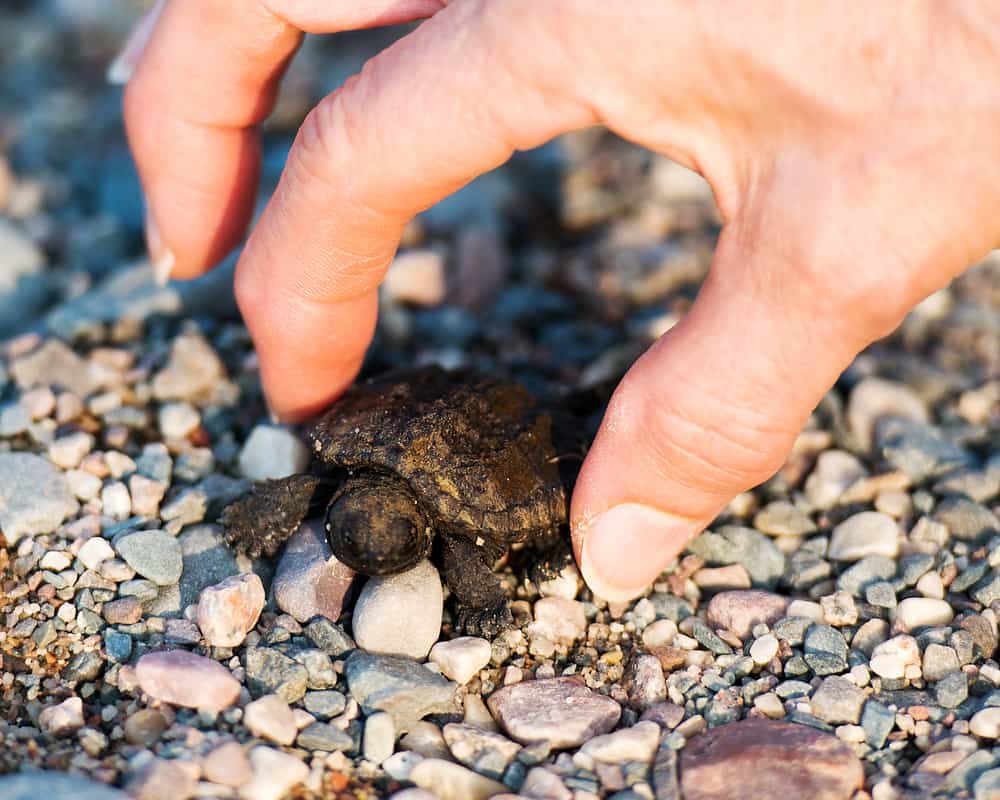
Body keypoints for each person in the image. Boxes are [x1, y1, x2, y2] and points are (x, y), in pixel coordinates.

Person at [114, 0, 1000, 602]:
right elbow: (313, 493)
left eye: (362, 527)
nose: (363, 534)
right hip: (424, 420)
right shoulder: (341, 478)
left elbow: (461, 554)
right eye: (363, 526)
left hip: (485, 430)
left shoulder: (435, 528)